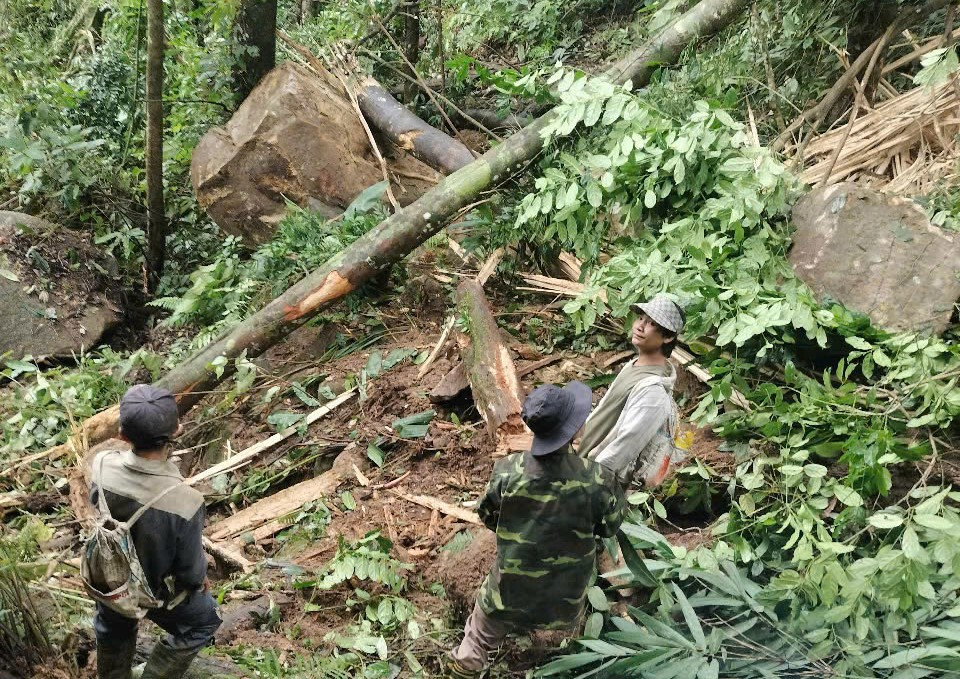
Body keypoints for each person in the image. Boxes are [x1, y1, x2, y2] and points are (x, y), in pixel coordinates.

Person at [447, 382, 625, 678]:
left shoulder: (507, 470)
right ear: (574, 430)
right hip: (566, 599)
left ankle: (466, 665)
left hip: (509, 590)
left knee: (479, 634)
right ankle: (553, 662)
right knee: (559, 645)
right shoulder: (598, 480)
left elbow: (488, 516)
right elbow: (609, 527)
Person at [90, 385, 221, 679]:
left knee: (112, 625)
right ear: (177, 428)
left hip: (111, 581)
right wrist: (199, 581)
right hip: (156, 592)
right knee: (205, 620)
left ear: (122, 435)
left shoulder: (101, 466)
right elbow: (189, 572)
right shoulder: (185, 501)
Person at [578, 293, 686, 489]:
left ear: (668, 336)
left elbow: (625, 446)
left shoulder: (654, 392)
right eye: (641, 318)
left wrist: (588, 482)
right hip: (582, 463)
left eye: (652, 324)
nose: (639, 326)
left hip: (594, 480)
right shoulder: (633, 366)